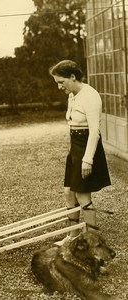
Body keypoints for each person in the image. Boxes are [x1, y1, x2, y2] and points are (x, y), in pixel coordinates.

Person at [49, 60, 111, 245]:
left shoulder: (91, 97)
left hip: (87, 148)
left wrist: (88, 160)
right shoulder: (72, 94)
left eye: (62, 82)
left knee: (82, 195)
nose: (60, 87)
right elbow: (73, 123)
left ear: (73, 77)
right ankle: (73, 235)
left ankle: (93, 241)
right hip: (75, 148)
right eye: (57, 83)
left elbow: (94, 132)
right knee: (68, 192)